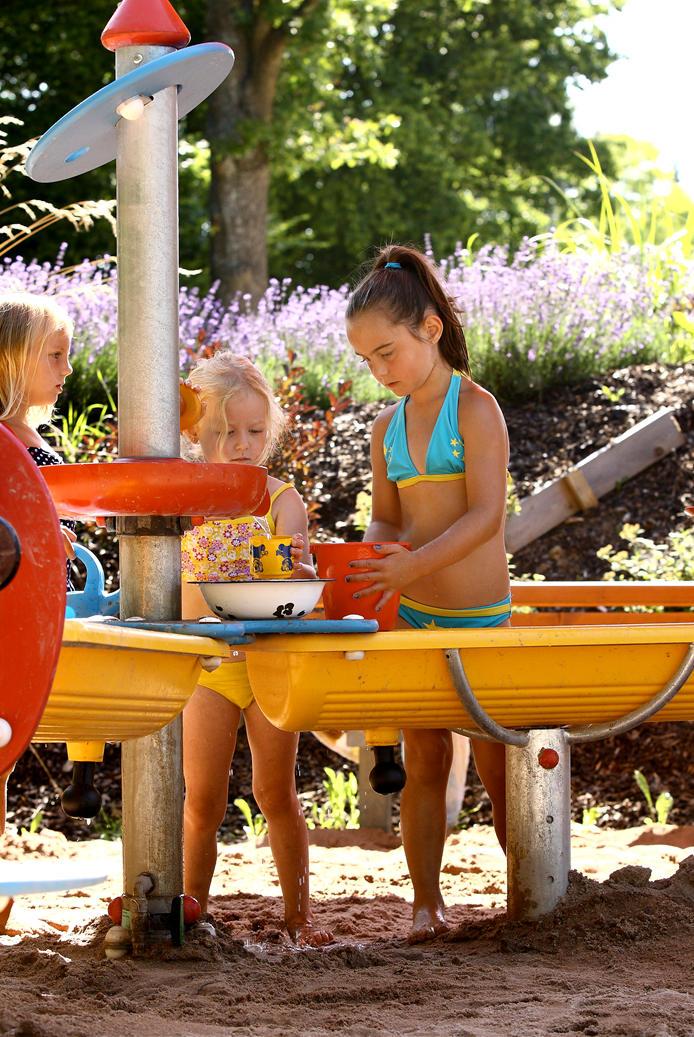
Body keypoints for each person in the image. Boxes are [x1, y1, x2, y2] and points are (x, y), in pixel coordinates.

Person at [342, 245, 513, 943]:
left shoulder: (475, 408)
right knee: (425, 763)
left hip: (480, 621)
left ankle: (528, 889)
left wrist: (412, 564)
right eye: (367, 361)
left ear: (431, 330)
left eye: (388, 352)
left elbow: (486, 517)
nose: (380, 372)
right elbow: (387, 515)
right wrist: (383, 553)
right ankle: (424, 903)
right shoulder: (387, 428)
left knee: (505, 767)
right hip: (415, 618)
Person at [179, 352, 332, 947]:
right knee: (203, 803)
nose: (241, 445)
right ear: (196, 433)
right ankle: (193, 913)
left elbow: (299, 591)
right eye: (223, 433)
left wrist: (300, 576)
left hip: (268, 660)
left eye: (253, 432)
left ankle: (299, 917)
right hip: (210, 665)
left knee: (276, 793)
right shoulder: (186, 500)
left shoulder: (279, 501)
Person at [0, 292, 78, 931]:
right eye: (54, 357)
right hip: (6, 616)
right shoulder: (10, 446)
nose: (67, 370)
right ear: (10, 362)